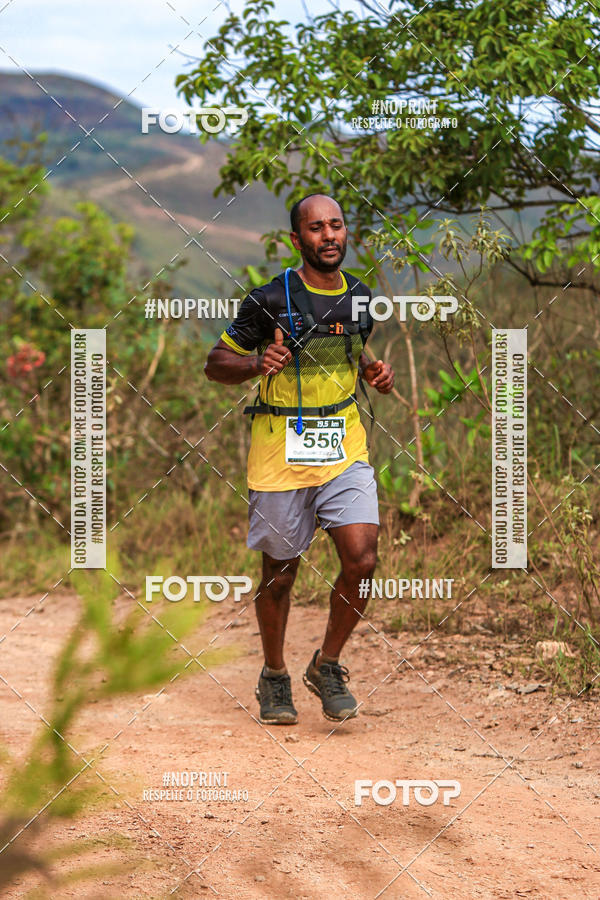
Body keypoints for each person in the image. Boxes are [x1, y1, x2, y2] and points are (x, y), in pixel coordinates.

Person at [204, 193, 394, 725]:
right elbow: (215, 364)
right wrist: (255, 362)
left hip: (343, 445)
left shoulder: (359, 296)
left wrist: (377, 376)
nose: (329, 235)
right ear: (297, 240)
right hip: (280, 449)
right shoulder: (270, 300)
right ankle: (273, 675)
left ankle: (327, 664)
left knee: (362, 558)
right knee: (279, 574)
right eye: (316, 228)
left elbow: (360, 356)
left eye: (336, 225)